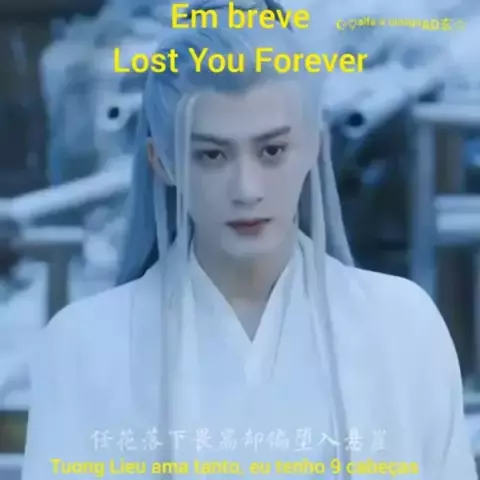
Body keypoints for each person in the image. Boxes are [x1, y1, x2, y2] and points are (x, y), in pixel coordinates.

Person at [22, 0, 476, 479]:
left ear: (315, 146)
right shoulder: (84, 347)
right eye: (212, 156)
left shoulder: (404, 327)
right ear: (163, 162)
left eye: (272, 150)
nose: (247, 189)